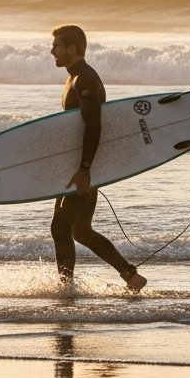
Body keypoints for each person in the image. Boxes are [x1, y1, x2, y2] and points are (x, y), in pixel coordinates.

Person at [48, 24, 147, 292]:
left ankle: (65, 290)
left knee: (61, 228)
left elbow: (94, 126)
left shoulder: (85, 80)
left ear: (72, 48)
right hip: (79, 165)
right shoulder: (74, 78)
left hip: (84, 166)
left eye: (56, 45)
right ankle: (130, 276)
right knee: (79, 230)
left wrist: (85, 169)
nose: (52, 51)